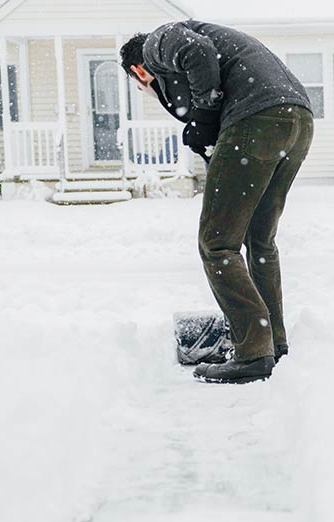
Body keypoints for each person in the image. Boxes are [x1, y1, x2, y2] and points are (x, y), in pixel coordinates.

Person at [120, 20, 314, 384]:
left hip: (256, 118)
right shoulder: (217, 50)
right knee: (260, 241)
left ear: (137, 71)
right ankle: (273, 342)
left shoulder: (156, 43)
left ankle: (253, 350)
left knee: (217, 243)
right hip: (295, 119)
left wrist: (205, 117)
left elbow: (197, 52)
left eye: (139, 84)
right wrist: (206, 130)